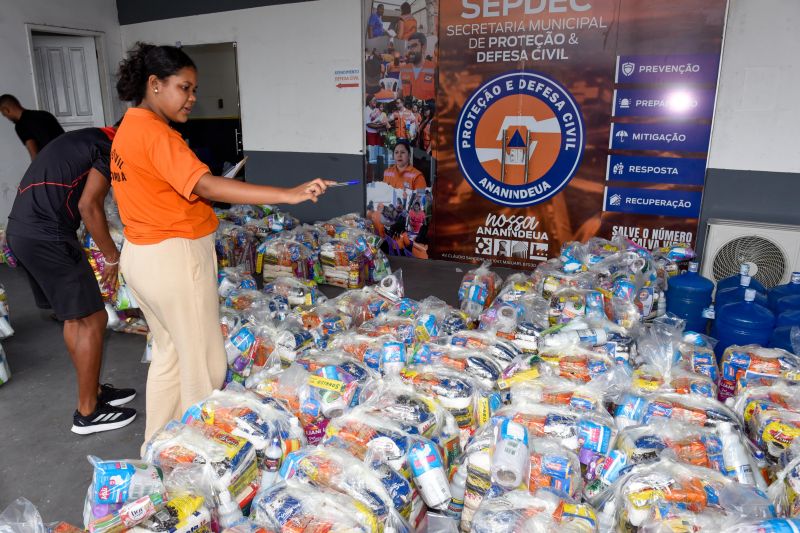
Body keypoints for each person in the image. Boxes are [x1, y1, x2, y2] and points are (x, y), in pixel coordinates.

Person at [111, 42, 334, 444]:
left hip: (141, 255)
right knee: (205, 367)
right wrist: (288, 194)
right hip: (174, 256)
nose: (192, 99)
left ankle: (157, 446)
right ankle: (196, 459)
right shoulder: (156, 133)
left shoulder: (128, 127)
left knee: (170, 356)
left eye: (194, 89)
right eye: (184, 87)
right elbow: (206, 185)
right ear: (155, 84)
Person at [5, 125, 138, 434]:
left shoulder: (84, 139)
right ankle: (87, 412)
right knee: (94, 319)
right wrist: (112, 256)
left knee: (74, 317)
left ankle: (94, 392)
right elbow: (88, 206)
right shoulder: (109, 148)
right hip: (48, 235)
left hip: (22, 232)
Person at [0, 94, 64, 160]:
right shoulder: (44, 114)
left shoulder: (20, 125)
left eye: (4, 114)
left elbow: (34, 155)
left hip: (52, 163)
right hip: (67, 157)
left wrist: (36, 169)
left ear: (6, 110)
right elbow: (63, 137)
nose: (7, 117)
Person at [399, 33, 436, 102]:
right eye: (409, 47)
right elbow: (400, 94)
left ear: (423, 47)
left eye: (414, 46)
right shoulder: (404, 70)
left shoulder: (435, 69)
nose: (410, 50)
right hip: (408, 111)